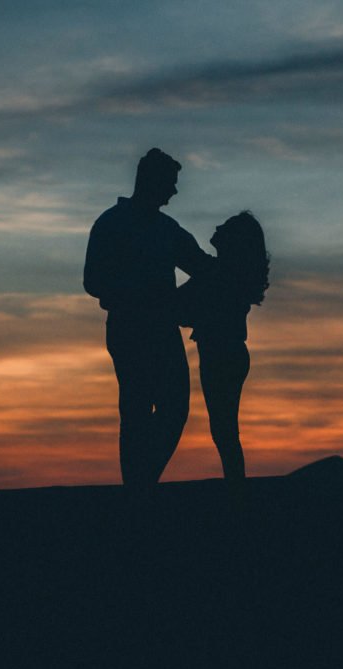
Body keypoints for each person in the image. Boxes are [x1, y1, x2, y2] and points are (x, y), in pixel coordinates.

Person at [83, 149, 213, 496]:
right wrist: (143, 295)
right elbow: (92, 280)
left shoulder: (167, 230)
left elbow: (203, 268)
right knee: (137, 411)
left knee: (172, 409)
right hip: (130, 329)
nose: (174, 191)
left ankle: (140, 486)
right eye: (170, 183)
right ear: (152, 181)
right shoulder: (111, 224)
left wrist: (181, 300)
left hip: (160, 330)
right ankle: (138, 492)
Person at [177, 211, 269, 505]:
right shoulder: (227, 273)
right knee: (225, 428)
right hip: (229, 352)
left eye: (226, 227)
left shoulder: (219, 273)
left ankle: (237, 494)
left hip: (221, 353)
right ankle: (236, 490)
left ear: (234, 241)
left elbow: (180, 308)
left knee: (224, 429)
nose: (217, 227)